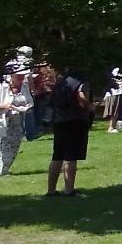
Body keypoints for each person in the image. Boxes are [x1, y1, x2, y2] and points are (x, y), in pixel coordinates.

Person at [45, 64, 92, 196]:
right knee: (71, 156)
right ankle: (69, 190)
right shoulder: (81, 82)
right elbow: (81, 98)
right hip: (75, 121)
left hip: (59, 121)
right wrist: (90, 106)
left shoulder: (62, 82)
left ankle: (51, 190)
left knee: (57, 155)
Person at [0, 67, 30, 175]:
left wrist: (22, 108)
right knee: (2, 145)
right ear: (12, 76)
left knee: (14, 144)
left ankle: (4, 169)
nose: (21, 78)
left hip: (17, 119)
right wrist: (3, 106)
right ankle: (0, 170)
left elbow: (29, 102)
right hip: (3, 119)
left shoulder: (24, 86)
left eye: (23, 76)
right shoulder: (2, 86)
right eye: (19, 76)